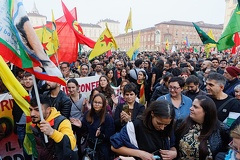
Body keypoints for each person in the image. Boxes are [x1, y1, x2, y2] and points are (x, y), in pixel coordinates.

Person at [110, 100, 177, 160]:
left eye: (165, 125)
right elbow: (114, 147)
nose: (162, 128)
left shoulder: (169, 127)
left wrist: (174, 153)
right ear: (152, 113)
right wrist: (140, 154)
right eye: (159, 123)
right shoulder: (135, 126)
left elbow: (172, 145)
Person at [175, 95, 230, 159]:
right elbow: (174, 143)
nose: (191, 108)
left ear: (206, 112)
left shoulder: (222, 129)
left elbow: (228, 151)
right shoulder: (182, 122)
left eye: (195, 107)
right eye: (192, 105)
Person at [29, 95, 77, 160]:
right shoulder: (36, 122)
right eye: (30, 110)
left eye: (37, 110)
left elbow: (71, 144)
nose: (32, 114)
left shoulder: (62, 122)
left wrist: (52, 133)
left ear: (48, 110)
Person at [70, 93, 115, 160]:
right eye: (95, 102)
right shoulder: (87, 114)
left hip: (102, 149)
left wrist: (100, 135)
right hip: (89, 147)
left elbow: (110, 135)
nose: (97, 104)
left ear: (103, 104)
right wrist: (81, 125)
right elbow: (85, 131)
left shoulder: (108, 118)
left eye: (99, 103)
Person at [67, 78, 88, 158]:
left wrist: (84, 105)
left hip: (80, 124)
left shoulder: (83, 97)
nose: (71, 89)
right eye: (69, 88)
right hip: (70, 124)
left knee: (80, 143)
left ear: (77, 87)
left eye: (73, 87)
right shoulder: (66, 99)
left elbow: (84, 112)